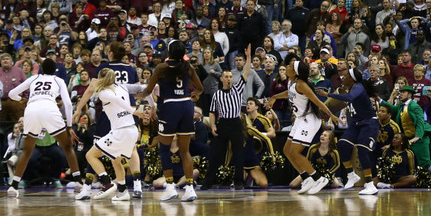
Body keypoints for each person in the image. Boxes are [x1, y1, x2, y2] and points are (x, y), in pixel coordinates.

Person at [5, 58, 84, 197]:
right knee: (67, 147)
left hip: (32, 109)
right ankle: (78, 182)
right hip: (49, 108)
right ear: (54, 71)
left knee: (27, 151)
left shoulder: (34, 78)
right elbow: (68, 103)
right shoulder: (58, 80)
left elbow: (12, 94)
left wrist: (22, 100)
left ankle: (13, 187)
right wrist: (70, 126)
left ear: (41, 69)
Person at [265, 57, 342, 195]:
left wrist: (331, 114)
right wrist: (275, 97)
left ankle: (318, 178)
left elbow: (318, 101)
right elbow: (289, 93)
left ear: (295, 72)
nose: (286, 67)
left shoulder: (302, 84)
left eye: (289, 66)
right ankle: (307, 178)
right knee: (287, 150)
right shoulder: (291, 82)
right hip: (300, 119)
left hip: (309, 120)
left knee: (295, 151)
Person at [140, 40, 205, 201]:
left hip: (170, 107)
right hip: (186, 106)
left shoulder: (162, 67)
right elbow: (201, 88)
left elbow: (148, 90)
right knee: (185, 151)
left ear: (168, 52)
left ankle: (170, 187)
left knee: (164, 149)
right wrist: (195, 95)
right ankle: (190, 189)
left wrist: (135, 96)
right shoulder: (188, 67)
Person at [75, 68, 149, 201]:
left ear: (101, 79)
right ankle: (122, 191)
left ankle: (106, 182)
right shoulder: (122, 87)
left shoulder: (104, 93)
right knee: (116, 160)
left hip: (121, 131)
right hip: (131, 130)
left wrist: (134, 111)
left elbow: (118, 101)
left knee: (90, 155)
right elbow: (144, 88)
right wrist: (153, 105)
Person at [202, 45, 254, 190]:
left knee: (238, 154)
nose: (229, 79)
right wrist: (212, 125)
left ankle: (238, 181)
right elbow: (212, 112)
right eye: (227, 77)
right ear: (222, 79)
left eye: (231, 76)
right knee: (217, 154)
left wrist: (248, 57)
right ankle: (208, 182)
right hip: (222, 123)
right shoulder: (217, 94)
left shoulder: (237, 88)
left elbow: (247, 72)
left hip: (236, 123)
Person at [327, 66, 381, 196]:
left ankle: (369, 184)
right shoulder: (353, 88)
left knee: (362, 150)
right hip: (356, 123)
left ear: (352, 78)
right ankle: (351, 174)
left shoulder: (358, 87)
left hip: (369, 123)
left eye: (346, 76)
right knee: (342, 144)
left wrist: (327, 94)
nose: (343, 78)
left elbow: (349, 98)